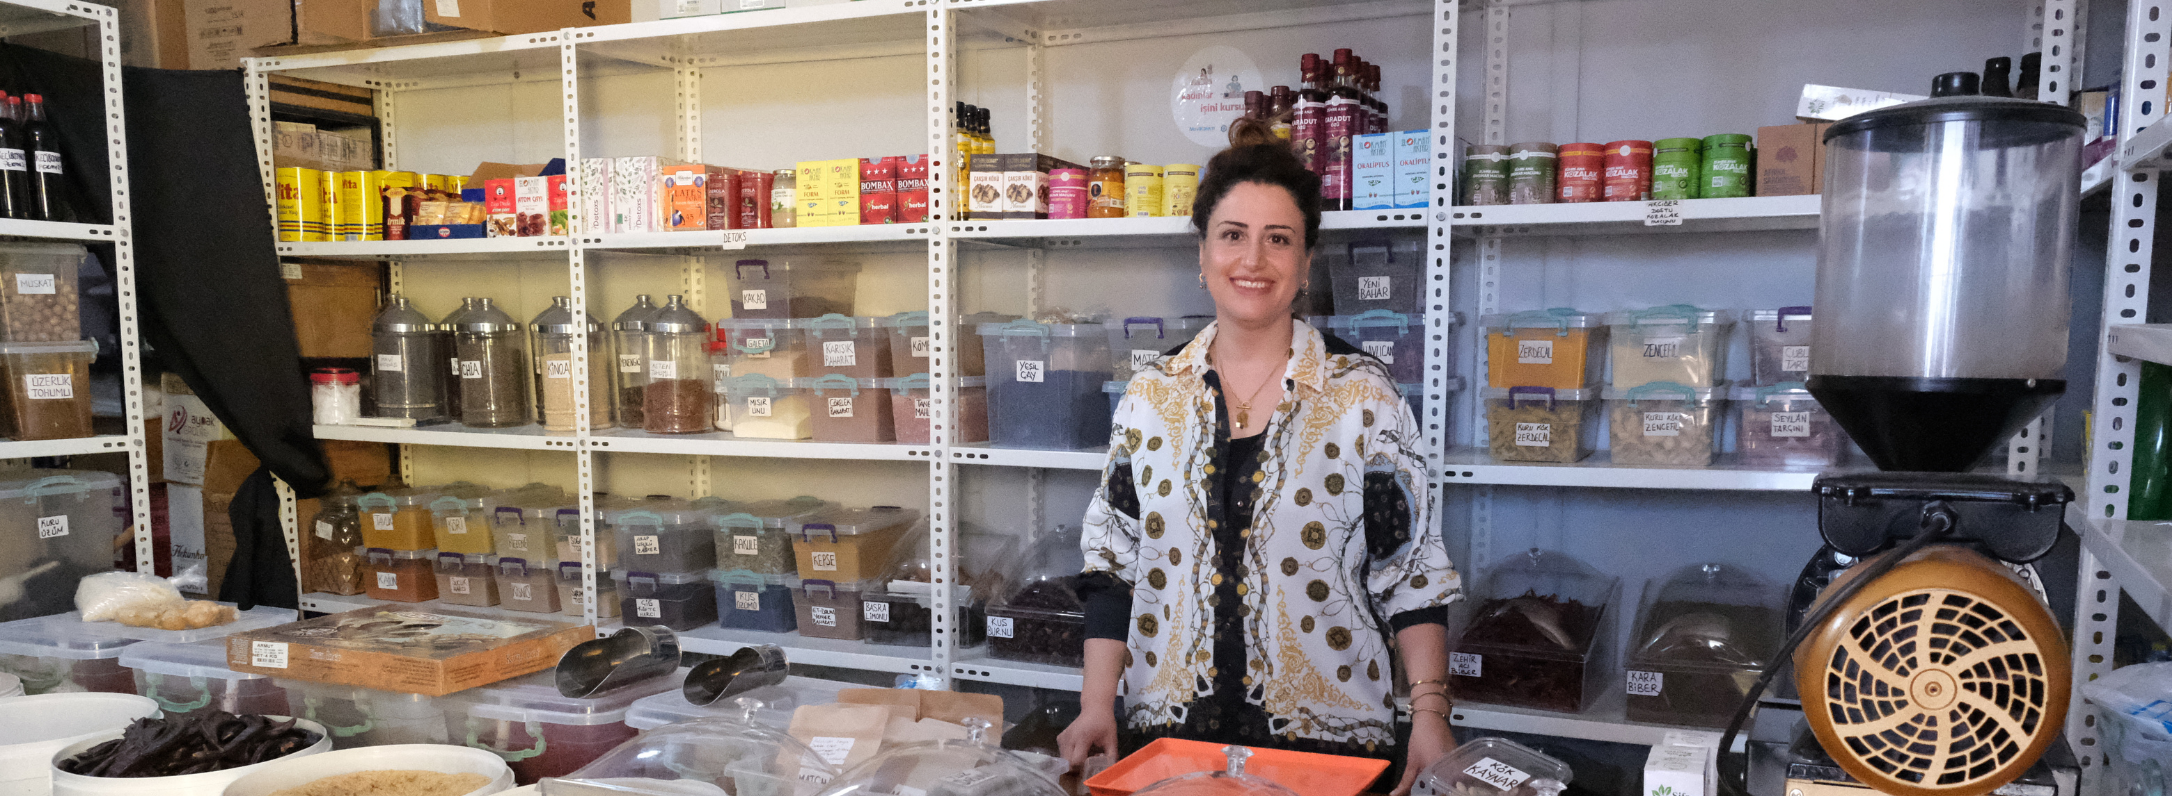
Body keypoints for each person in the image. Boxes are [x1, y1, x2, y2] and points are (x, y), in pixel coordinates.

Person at [1057, 116, 1462, 793]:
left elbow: (1412, 570)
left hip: (1331, 752)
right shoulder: (1151, 396)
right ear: (1202, 253)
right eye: (1232, 235)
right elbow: (1113, 564)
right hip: (1173, 749)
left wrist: (1430, 713)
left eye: (1278, 239)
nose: (1253, 260)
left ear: (1305, 263)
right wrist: (1097, 703)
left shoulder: (1362, 395)